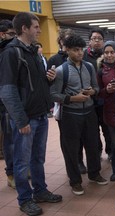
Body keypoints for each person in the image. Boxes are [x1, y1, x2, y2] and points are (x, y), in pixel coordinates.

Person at [0, 12, 62, 216]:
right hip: (25, 119)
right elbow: (7, 91)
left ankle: (40, 191)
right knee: (21, 161)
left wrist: (49, 79)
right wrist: (20, 120)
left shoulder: (34, 52)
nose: (39, 30)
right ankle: (25, 199)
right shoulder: (11, 53)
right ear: (24, 28)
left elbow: (35, 84)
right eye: (36, 26)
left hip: (41, 115)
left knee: (38, 158)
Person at [50, 34, 108, 196]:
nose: (80, 53)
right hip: (70, 114)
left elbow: (96, 88)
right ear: (67, 50)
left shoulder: (89, 67)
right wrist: (73, 98)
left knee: (93, 145)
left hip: (89, 112)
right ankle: (75, 181)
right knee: (71, 149)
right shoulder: (61, 71)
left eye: (81, 50)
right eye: (75, 50)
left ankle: (94, 173)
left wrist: (93, 91)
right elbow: (53, 94)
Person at [83, 28, 112, 169]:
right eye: (94, 38)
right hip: (90, 101)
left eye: (99, 38)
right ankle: (98, 151)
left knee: (108, 128)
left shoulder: (108, 56)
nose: (96, 41)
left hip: (105, 99)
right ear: (89, 41)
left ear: (103, 41)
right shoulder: (83, 56)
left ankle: (111, 152)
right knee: (93, 130)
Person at [97, 41, 115, 182]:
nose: (109, 55)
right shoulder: (101, 70)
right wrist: (106, 90)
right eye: (106, 52)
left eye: (112, 52)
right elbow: (97, 92)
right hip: (109, 112)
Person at [0, 19, 16, 189]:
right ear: (2, 35)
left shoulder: (16, 51)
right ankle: (11, 173)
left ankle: (22, 170)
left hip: (18, 101)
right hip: (4, 105)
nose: (14, 38)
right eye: (11, 34)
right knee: (10, 140)